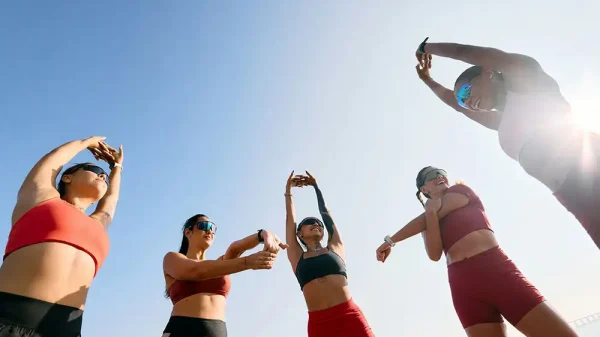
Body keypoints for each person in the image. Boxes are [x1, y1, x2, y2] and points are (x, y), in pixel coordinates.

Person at [414, 37, 600, 250]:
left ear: (487, 71)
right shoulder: (502, 123)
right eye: (462, 100)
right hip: (575, 200)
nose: (467, 102)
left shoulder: (525, 78)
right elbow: (454, 104)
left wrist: (426, 48)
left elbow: (463, 51)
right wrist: (427, 80)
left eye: (465, 92)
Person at [375, 166, 577, 337]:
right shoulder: (426, 222)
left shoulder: (461, 191)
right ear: (424, 189)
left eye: (441, 172)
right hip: (463, 287)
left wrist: (392, 240)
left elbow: (433, 214)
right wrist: (430, 214)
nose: (439, 176)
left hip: (496, 271)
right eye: (431, 176)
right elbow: (435, 255)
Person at [0, 136, 124, 337]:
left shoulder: (99, 222)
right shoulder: (41, 198)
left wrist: (116, 167)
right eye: (96, 171)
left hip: (66, 331)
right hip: (9, 321)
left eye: (105, 177)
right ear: (67, 177)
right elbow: (53, 160)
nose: (103, 177)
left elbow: (111, 200)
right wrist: (87, 143)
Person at [162, 213, 287, 337]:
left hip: (218, 331)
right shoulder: (171, 258)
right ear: (188, 232)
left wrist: (262, 235)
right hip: (181, 330)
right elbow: (194, 270)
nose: (210, 231)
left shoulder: (218, 265)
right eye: (204, 225)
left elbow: (235, 249)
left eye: (213, 228)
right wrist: (247, 262)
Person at [284, 171, 375, 337]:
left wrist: (316, 187)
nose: (316, 224)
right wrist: (288, 190)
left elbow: (326, 214)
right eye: (309, 223)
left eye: (319, 224)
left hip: (349, 316)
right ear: (299, 234)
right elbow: (290, 219)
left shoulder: (335, 247)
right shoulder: (297, 256)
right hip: (320, 324)